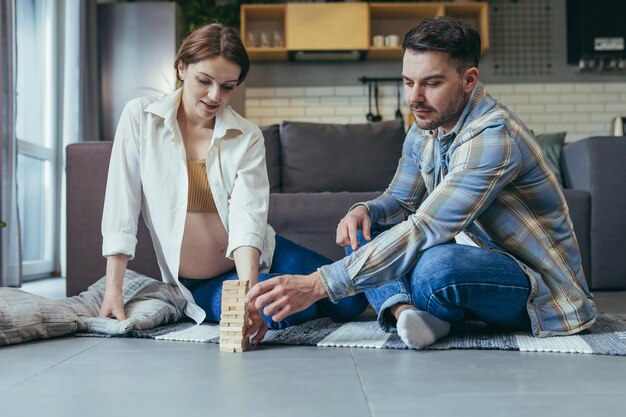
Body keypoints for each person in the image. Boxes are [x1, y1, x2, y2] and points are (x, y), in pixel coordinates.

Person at [247, 16, 597, 349]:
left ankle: (415, 304)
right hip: (461, 253)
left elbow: (425, 228)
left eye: (431, 83)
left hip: (538, 286)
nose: (414, 97)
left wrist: (317, 284)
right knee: (364, 234)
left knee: (436, 269)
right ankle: (409, 315)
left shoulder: (494, 137)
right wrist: (366, 209)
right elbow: (400, 200)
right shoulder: (425, 126)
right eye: (408, 81)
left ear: (469, 80)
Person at [99, 23, 367, 344]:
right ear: (182, 68)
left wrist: (249, 290)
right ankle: (293, 295)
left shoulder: (246, 135)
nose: (215, 96)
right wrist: (112, 291)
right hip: (199, 284)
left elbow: (247, 217)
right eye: (204, 81)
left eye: (227, 86)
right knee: (270, 310)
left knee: (351, 296)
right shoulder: (140, 118)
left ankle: (311, 293)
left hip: (265, 253)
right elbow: (121, 206)